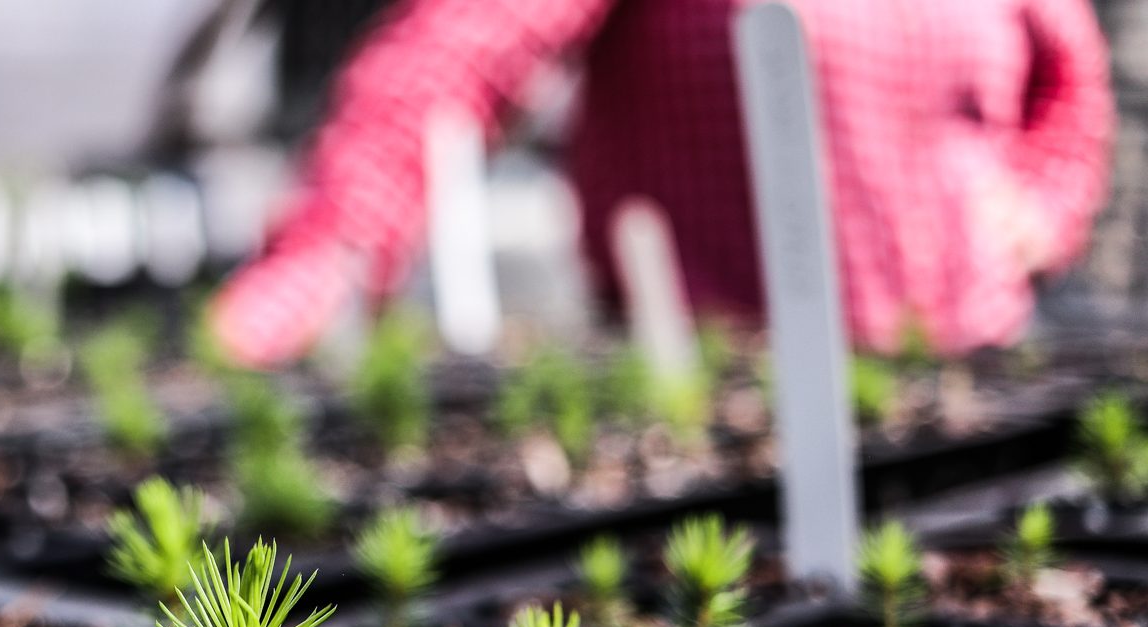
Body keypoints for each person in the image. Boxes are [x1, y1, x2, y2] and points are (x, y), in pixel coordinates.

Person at [210, 0, 1115, 368]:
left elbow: (1069, 85)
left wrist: (1039, 206)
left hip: (973, 362)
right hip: (716, 379)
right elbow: (449, 58)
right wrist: (322, 256)